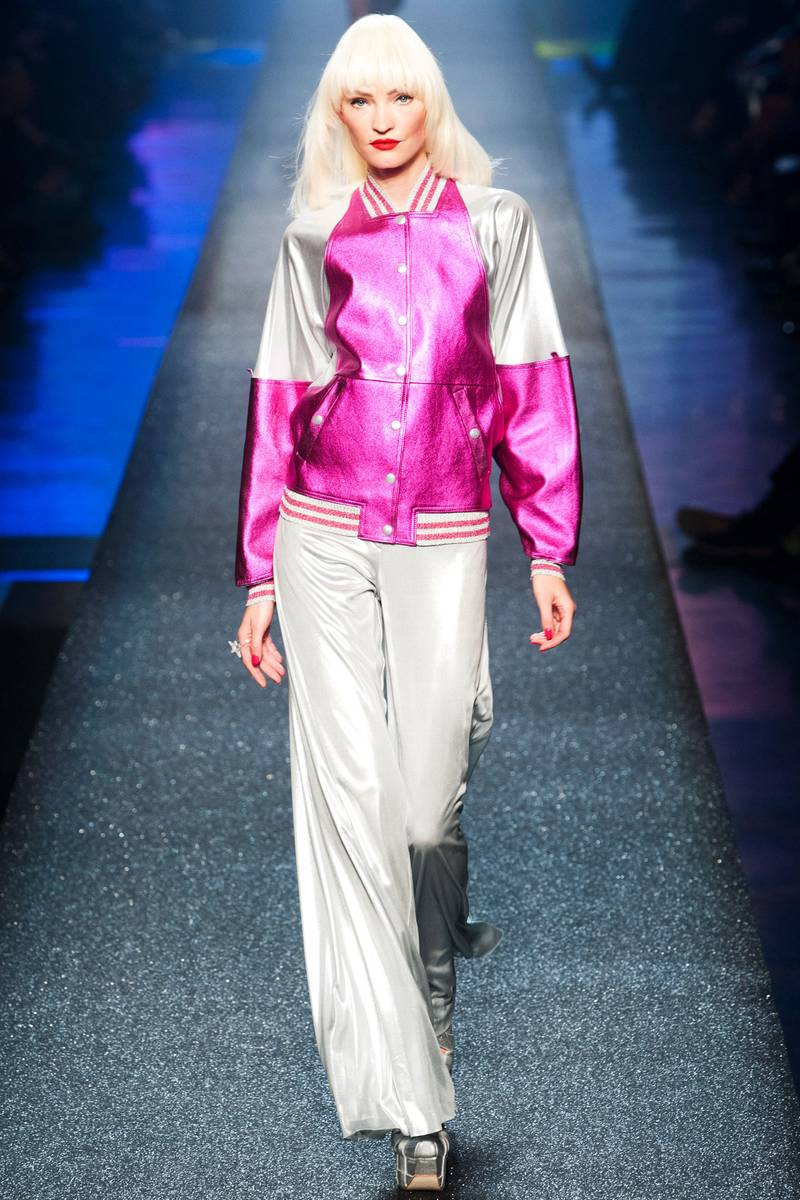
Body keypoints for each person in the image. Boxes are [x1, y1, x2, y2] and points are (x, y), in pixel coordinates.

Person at [230, 13, 583, 1191]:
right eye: (357, 101)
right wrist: (259, 571)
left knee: (425, 821)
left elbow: (531, 385)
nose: (380, 121)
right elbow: (278, 397)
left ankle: (434, 983)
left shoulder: (497, 224)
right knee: (351, 815)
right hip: (321, 536)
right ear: (335, 114)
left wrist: (546, 547)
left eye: (400, 98)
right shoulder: (310, 235)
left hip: (441, 539)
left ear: (431, 104)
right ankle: (413, 1106)